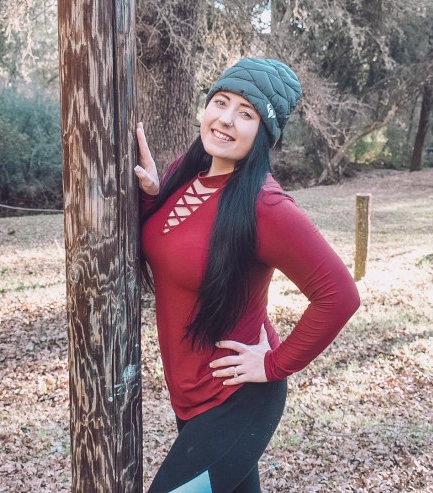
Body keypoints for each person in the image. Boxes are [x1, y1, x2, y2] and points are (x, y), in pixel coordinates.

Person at [134, 58, 360, 493]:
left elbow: (340, 296)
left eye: (246, 113)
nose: (225, 119)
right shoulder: (186, 174)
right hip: (190, 395)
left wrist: (274, 363)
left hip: (236, 400)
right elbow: (169, 249)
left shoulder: (266, 206)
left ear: (264, 133)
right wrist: (150, 196)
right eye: (220, 102)